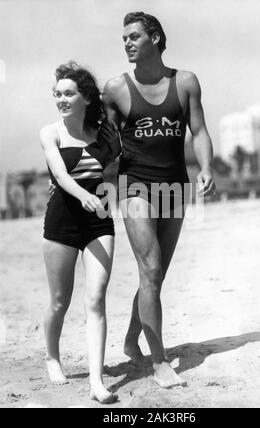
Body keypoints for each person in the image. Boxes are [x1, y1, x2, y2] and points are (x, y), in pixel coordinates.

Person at [103, 11, 216, 388]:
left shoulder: (184, 82)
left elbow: (198, 130)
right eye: (124, 39)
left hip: (174, 186)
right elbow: (105, 145)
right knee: (149, 269)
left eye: (134, 36)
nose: (127, 43)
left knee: (158, 273)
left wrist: (206, 166)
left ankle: (132, 339)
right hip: (134, 184)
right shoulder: (116, 88)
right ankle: (159, 361)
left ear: (154, 37)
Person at [40, 61, 120, 404]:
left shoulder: (105, 134)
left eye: (69, 93)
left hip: (99, 223)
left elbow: (116, 168)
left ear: (86, 98)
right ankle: (52, 357)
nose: (61, 99)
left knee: (96, 298)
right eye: (57, 93)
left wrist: (108, 192)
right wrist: (84, 194)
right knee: (60, 301)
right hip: (61, 225)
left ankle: (97, 382)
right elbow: (59, 175)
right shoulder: (51, 133)